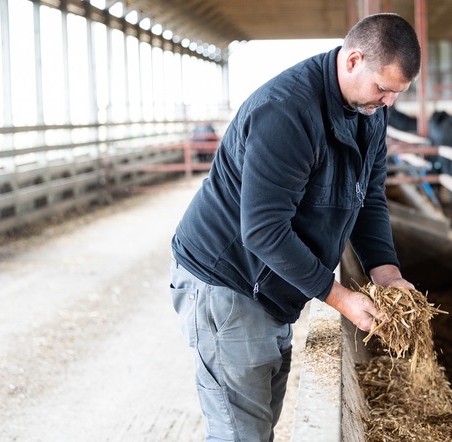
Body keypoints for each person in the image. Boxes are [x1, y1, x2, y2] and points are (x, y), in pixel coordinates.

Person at [169, 12, 421, 442]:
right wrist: (339, 297)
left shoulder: (370, 111)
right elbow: (264, 230)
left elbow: (369, 195)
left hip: (272, 282)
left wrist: (386, 271)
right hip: (228, 280)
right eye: (383, 88)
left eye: (397, 93)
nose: (388, 103)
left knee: (259, 422)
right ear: (353, 60)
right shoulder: (286, 112)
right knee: (239, 433)